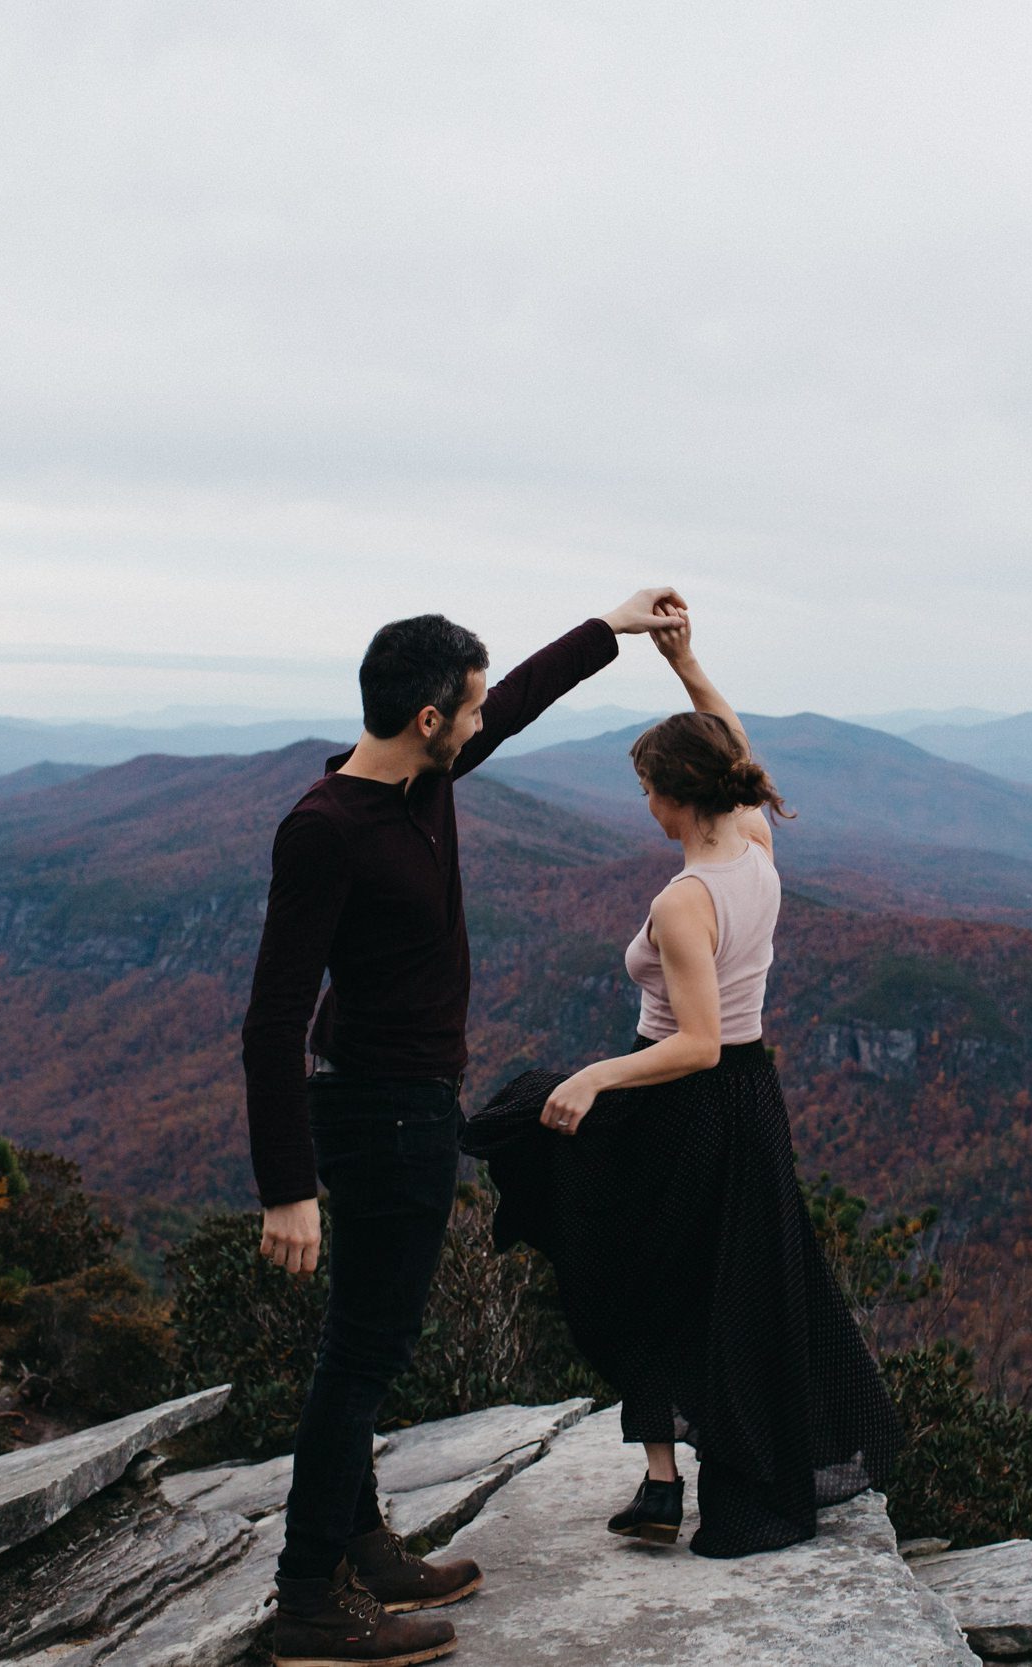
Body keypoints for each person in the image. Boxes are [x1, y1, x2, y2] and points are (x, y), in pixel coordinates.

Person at [245, 589, 683, 1667]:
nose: (484, 720)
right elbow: (269, 1016)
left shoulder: (423, 786)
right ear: (428, 718)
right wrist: (286, 1185)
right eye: (469, 708)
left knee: (362, 1339)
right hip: (374, 1112)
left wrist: (609, 629)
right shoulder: (326, 828)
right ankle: (308, 1596)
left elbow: (521, 698)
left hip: (418, 1102)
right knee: (366, 1351)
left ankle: (361, 1544)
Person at [462, 607, 904, 1559]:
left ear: (674, 796)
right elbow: (735, 746)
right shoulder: (754, 840)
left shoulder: (683, 899)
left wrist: (595, 1075)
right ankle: (662, 1480)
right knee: (709, 1285)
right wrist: (686, 664)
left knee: (592, 1229)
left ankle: (665, 1473)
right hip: (753, 1106)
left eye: (647, 788)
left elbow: (697, 1041)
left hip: (681, 1103)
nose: (644, 805)